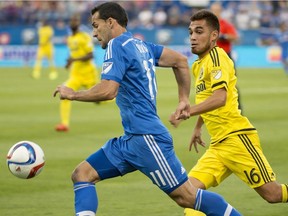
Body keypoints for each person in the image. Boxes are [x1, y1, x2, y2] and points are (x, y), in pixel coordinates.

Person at [53, 2, 241, 216]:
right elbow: (179, 61)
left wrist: (73, 94)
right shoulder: (141, 45)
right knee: (82, 174)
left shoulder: (117, 45)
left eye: (96, 26)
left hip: (147, 139)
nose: (94, 33)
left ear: (111, 22)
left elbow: (108, 91)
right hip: (131, 140)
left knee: (187, 197)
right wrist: (182, 99)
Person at [168, 9, 288, 216]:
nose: (193, 38)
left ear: (214, 35)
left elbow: (220, 97)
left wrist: (189, 111)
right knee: (189, 195)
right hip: (218, 145)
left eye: (199, 31)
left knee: (273, 194)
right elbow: (208, 99)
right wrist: (198, 127)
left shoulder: (217, 57)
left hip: (236, 138)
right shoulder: (198, 65)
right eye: (190, 33)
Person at [55, 14, 100, 132]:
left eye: (75, 21)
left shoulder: (84, 37)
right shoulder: (70, 39)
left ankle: (119, 95)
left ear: (78, 24)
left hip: (88, 74)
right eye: (72, 21)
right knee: (65, 92)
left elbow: (90, 55)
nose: (73, 23)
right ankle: (64, 124)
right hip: (76, 75)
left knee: (100, 99)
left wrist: (73, 60)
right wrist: (69, 62)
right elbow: (74, 54)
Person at [210, 2, 243, 111]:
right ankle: (214, 110)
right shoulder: (207, 25)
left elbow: (235, 37)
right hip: (211, 58)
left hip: (225, 57)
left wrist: (222, 36)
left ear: (220, 11)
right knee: (210, 85)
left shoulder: (225, 24)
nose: (215, 12)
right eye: (213, 10)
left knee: (230, 84)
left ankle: (237, 109)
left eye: (217, 10)